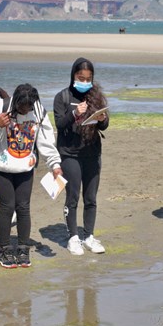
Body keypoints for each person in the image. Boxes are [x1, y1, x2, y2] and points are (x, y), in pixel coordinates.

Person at [0, 83, 63, 268]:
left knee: (24, 208)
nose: (25, 110)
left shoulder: (38, 111)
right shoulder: (0, 107)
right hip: (1, 167)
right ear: (15, 101)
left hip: (26, 167)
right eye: (21, 107)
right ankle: (4, 250)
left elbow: (46, 140)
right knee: (7, 207)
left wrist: (55, 164)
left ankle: (23, 248)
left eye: (28, 107)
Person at [53, 57, 109, 255]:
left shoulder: (96, 96)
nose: (84, 82)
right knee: (73, 196)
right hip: (70, 154)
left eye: (88, 78)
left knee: (91, 197)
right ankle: (73, 237)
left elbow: (104, 125)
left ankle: (89, 236)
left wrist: (101, 119)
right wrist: (75, 113)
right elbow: (59, 124)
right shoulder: (62, 97)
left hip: (92, 153)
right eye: (80, 78)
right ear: (73, 76)